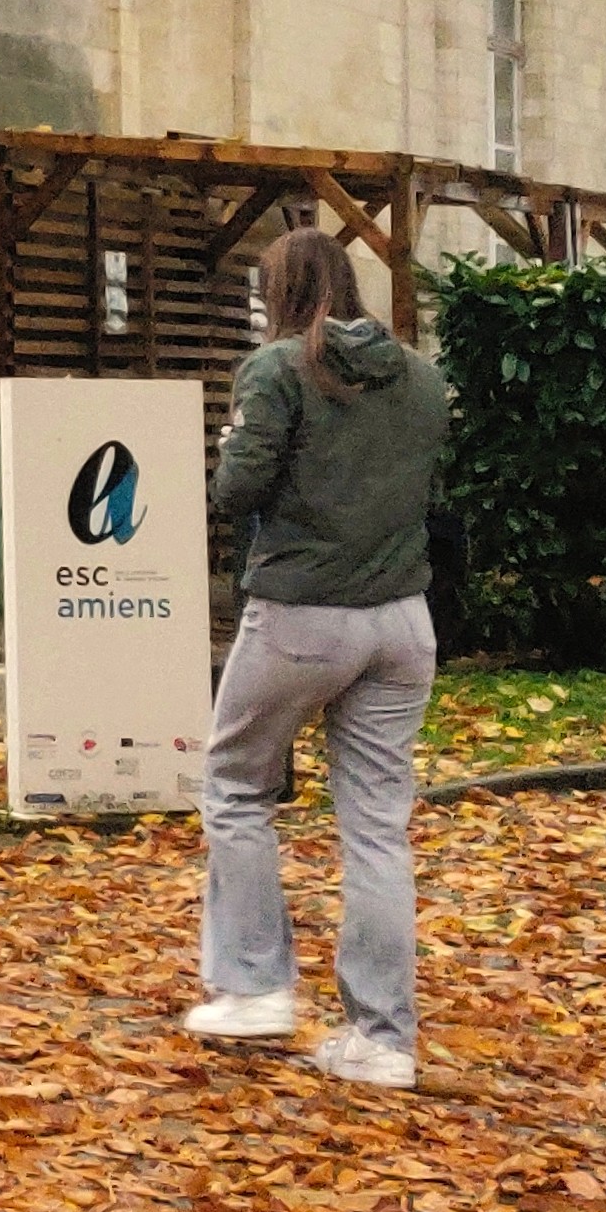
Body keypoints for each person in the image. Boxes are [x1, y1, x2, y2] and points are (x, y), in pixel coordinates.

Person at [185, 226, 454, 1089]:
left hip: (302, 614)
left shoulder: (276, 368)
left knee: (234, 785)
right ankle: (382, 1042)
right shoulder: (421, 376)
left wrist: (233, 461)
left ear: (280, 292)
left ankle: (255, 987)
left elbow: (239, 488)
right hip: (403, 620)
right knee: (377, 827)